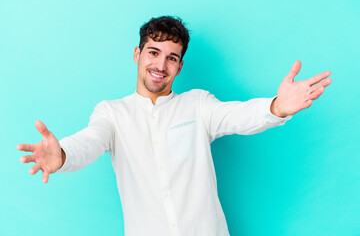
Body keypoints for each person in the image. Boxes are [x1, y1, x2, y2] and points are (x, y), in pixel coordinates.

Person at [17, 16, 332, 236]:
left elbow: (238, 115)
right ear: (138, 54)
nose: (160, 65)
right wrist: (60, 156)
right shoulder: (112, 113)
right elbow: (88, 142)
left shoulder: (197, 104)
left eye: (171, 58)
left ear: (180, 67)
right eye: (153, 53)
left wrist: (277, 106)